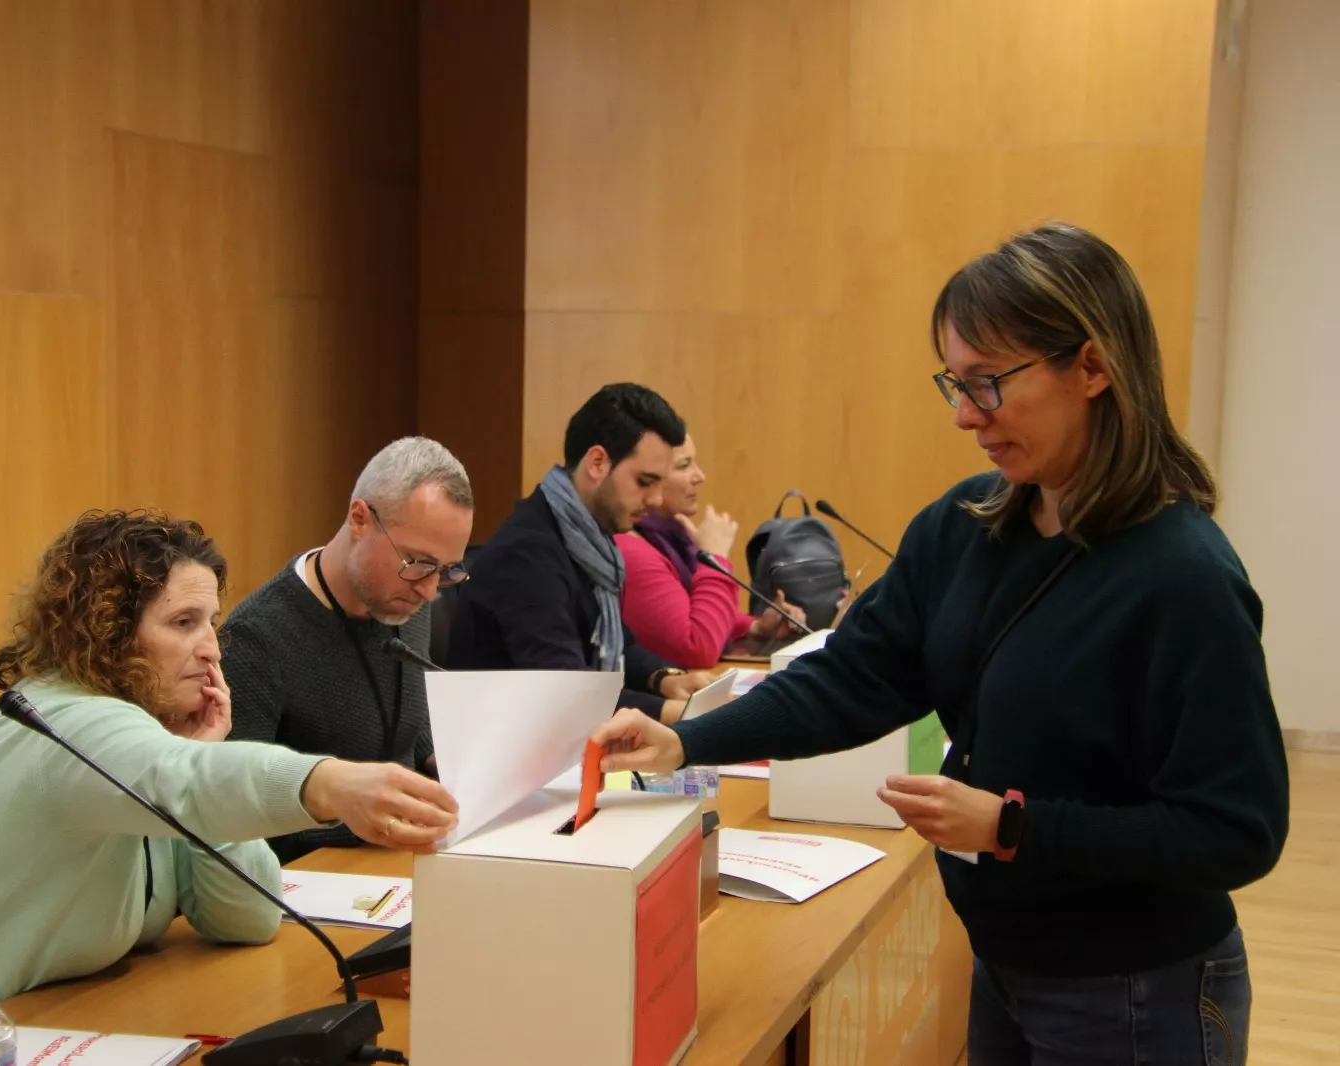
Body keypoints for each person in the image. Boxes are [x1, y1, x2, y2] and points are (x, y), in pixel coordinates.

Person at [592, 223, 1288, 1066]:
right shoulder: (966, 527)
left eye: (987, 384)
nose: (964, 416)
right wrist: (688, 739)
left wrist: (1014, 828)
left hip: (1140, 994)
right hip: (1004, 968)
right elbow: (853, 677)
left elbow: (1236, 830)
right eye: (953, 385)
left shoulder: (1184, 578)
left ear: (1095, 368)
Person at [0, 511, 459, 1066]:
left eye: (212, 622)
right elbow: (182, 784)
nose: (212, 648)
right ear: (106, 633)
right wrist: (325, 781)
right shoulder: (64, 724)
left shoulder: (142, 748)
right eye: (182, 623)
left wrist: (199, 754)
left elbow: (247, 917)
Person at [222, 437, 475, 862]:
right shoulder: (254, 640)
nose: (431, 591)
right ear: (360, 519)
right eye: (418, 564)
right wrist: (362, 823)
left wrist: (450, 758)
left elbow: (401, 732)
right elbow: (236, 815)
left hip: (404, 862)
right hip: (313, 884)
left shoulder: (405, 600)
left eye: (447, 570)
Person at [448, 383, 714, 721]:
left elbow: (618, 642)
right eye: (645, 482)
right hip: (510, 751)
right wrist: (678, 714)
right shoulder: (526, 556)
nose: (656, 500)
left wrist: (665, 679)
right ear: (597, 463)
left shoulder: (589, 539)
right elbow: (568, 697)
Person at [617, 433, 805, 667]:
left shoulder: (669, 536)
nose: (700, 476)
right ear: (651, 476)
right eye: (684, 466)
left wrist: (755, 627)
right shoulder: (631, 549)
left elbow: (686, 608)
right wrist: (715, 559)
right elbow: (697, 648)